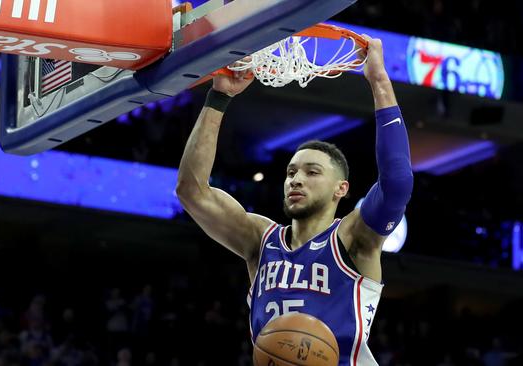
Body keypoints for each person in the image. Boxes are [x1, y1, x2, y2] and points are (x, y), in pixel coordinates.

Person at [176, 35, 413, 365]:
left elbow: (398, 182)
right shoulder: (261, 239)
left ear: (341, 189)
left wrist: (379, 81)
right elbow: (192, 191)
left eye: (312, 172)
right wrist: (218, 98)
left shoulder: (353, 238)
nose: (296, 179)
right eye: (291, 172)